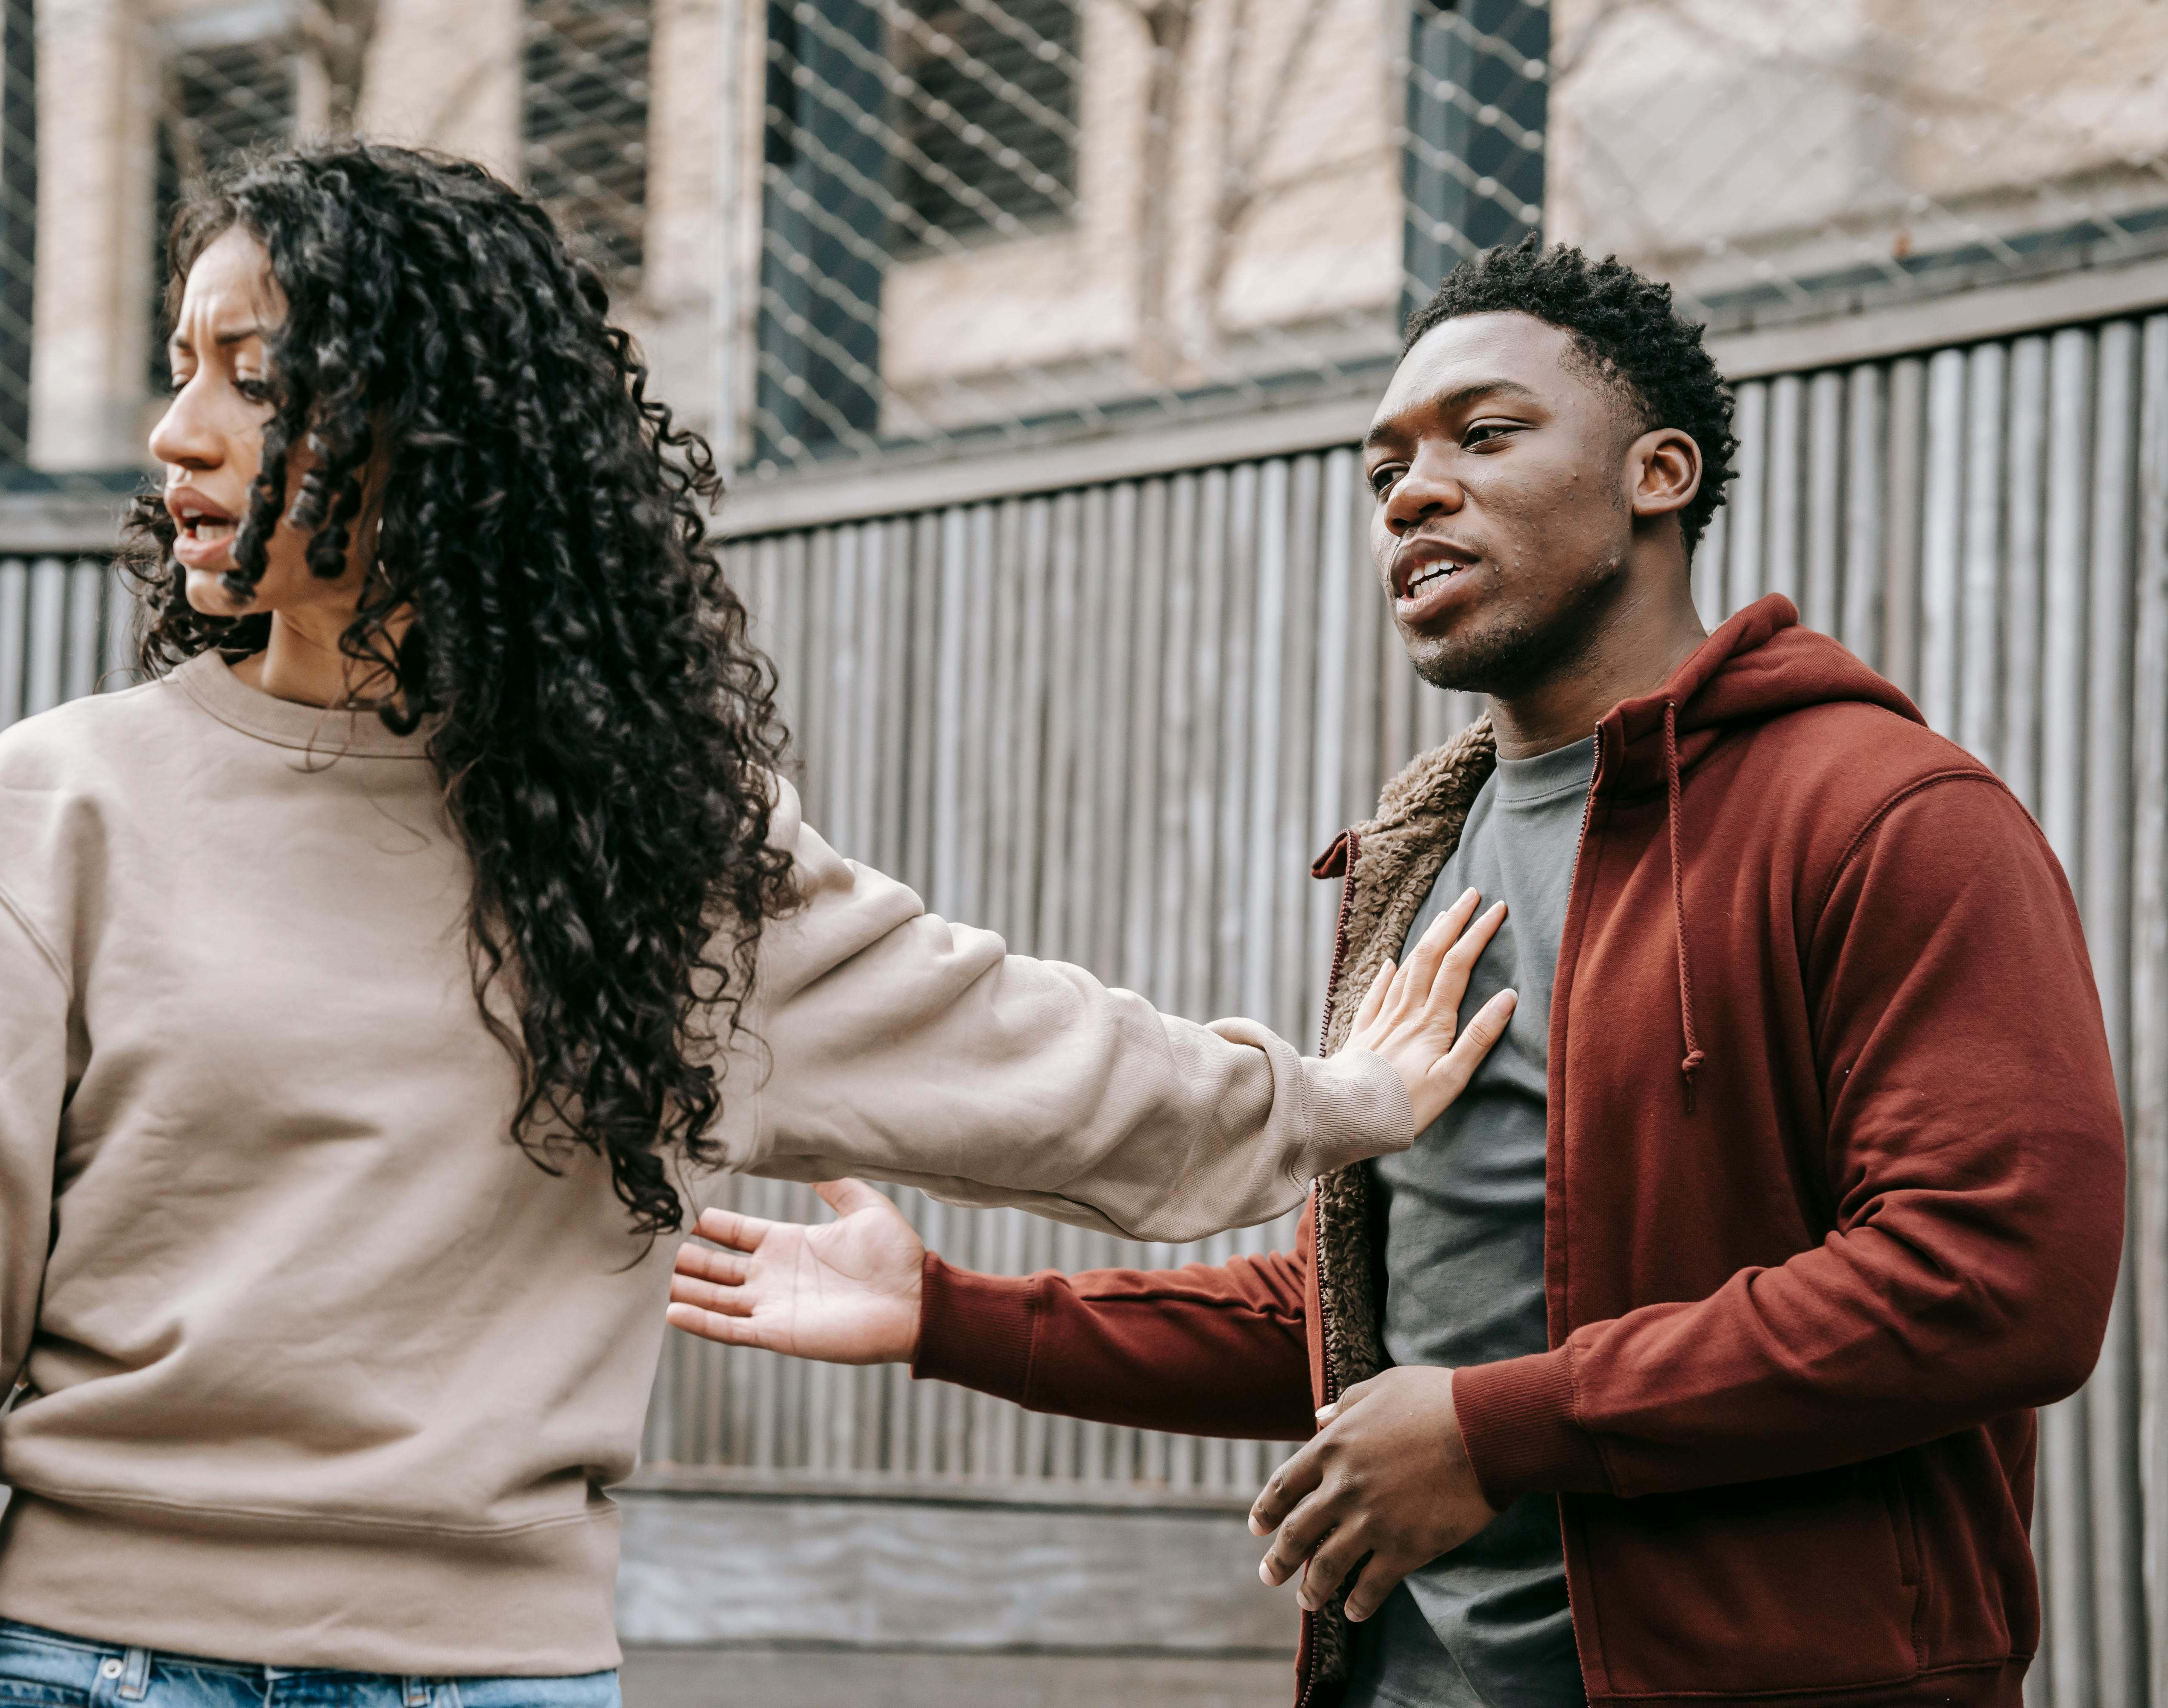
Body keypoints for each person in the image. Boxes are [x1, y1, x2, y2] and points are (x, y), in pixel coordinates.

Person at [0, 142, 1515, 1708]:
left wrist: (1339, 1095)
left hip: (501, 1679)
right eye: (179, 370)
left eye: (253, 377)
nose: (175, 432)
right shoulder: (51, 814)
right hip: (93, 1669)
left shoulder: (654, 859)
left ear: (432, 423)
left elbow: (1032, 1057)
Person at [669, 243, 2126, 1708]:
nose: (1414, 495)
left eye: (1485, 437)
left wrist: (1500, 1429)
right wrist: (948, 1313)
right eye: (1384, 474)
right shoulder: (1426, 855)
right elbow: (1369, 1320)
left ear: (1659, 473)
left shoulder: (1886, 816)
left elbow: (1998, 1283)